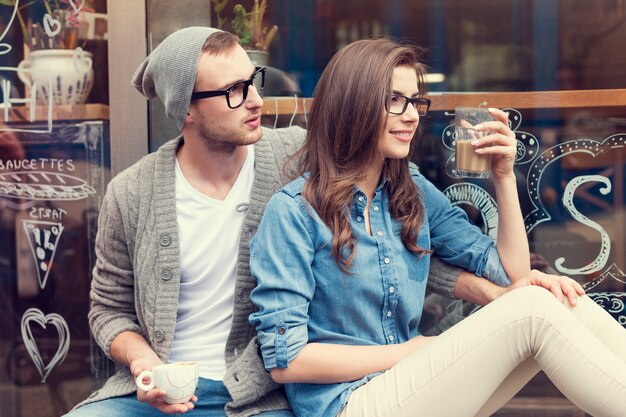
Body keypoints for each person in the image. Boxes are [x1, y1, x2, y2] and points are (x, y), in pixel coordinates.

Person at [64, 27, 467, 417]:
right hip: (152, 395)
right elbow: (107, 309)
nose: (257, 100)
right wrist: (145, 364)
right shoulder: (131, 193)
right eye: (234, 92)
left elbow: (392, 233)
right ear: (185, 108)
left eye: (252, 82)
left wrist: (489, 289)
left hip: (258, 396)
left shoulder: (299, 158)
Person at [248, 38, 626, 417]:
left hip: (409, 382)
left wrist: (504, 176)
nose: (412, 115)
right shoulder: (295, 212)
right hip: (348, 403)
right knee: (532, 309)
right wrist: (413, 350)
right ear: (353, 105)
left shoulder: (409, 190)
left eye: (414, 101)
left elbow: (513, 275)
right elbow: (287, 362)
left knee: (555, 300)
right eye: (394, 100)